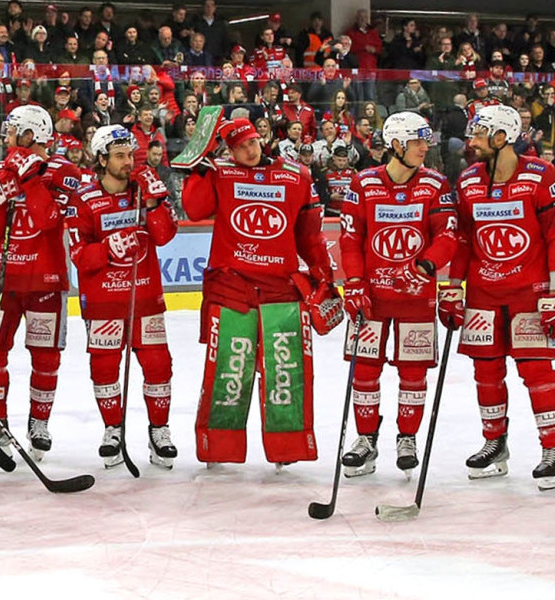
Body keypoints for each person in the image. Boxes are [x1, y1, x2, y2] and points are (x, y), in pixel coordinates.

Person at [180, 118, 338, 467]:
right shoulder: (220, 173)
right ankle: (218, 448)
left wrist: (322, 276)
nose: (248, 151)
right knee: (229, 372)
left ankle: (287, 449)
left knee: (286, 372)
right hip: (232, 288)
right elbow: (193, 209)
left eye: (251, 142)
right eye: (239, 147)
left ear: (261, 138)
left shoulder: (296, 176)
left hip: (281, 291)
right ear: (227, 150)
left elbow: (310, 236)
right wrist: (200, 168)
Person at [334, 112, 459, 478]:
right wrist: (354, 282)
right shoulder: (363, 183)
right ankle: (366, 439)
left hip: (416, 299)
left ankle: (407, 438)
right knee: (365, 371)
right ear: (397, 145)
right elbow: (351, 239)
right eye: (419, 141)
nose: (426, 147)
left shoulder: (435, 184)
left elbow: (448, 237)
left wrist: (424, 266)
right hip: (371, 298)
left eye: (426, 141)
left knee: (413, 372)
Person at [0, 104, 85, 462]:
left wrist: (31, 179)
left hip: (45, 279)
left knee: (46, 356)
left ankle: (39, 423)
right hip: (1, 279)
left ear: (31, 135)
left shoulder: (65, 171)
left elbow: (49, 220)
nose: (7, 137)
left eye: (13, 130)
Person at [448, 104, 555, 486]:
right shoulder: (468, 180)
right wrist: (451, 287)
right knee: (486, 372)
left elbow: (554, 235)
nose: (471, 141)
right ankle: (495, 443)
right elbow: (462, 239)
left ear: (500, 137)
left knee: (537, 371)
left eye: (478, 135)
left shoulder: (542, 176)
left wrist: (554, 293)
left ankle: (552, 447)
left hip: (531, 293)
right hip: (483, 295)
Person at [66, 125, 180, 469]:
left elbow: (163, 237)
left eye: (130, 154)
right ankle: (112, 429)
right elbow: (79, 256)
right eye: (119, 156)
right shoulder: (84, 200)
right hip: (103, 302)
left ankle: (159, 430)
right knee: (104, 368)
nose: (128, 162)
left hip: (145, 297)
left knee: (158, 365)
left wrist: (154, 201)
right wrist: (109, 247)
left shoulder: (144, 191)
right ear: (101, 160)